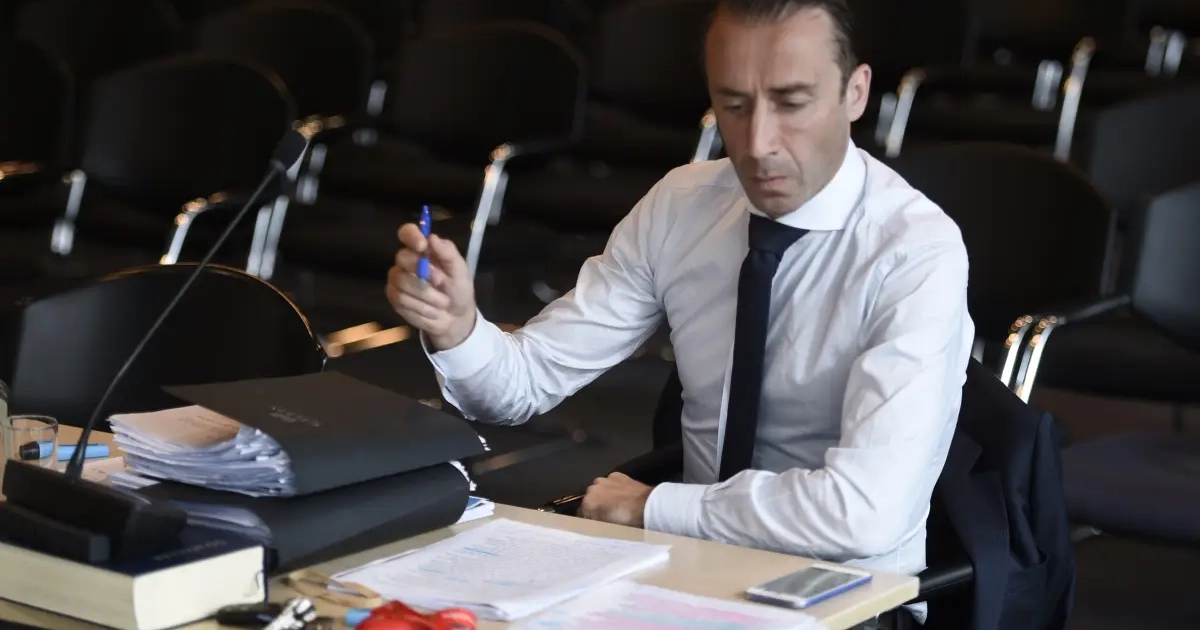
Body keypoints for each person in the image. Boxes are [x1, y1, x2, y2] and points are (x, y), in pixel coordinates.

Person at [388, 0, 972, 626]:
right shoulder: (684, 204)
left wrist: (654, 509)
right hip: (683, 567)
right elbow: (523, 385)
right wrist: (459, 330)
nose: (758, 144)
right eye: (735, 105)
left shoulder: (913, 251)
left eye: (791, 103)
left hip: (842, 592)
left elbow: (863, 514)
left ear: (855, 93)